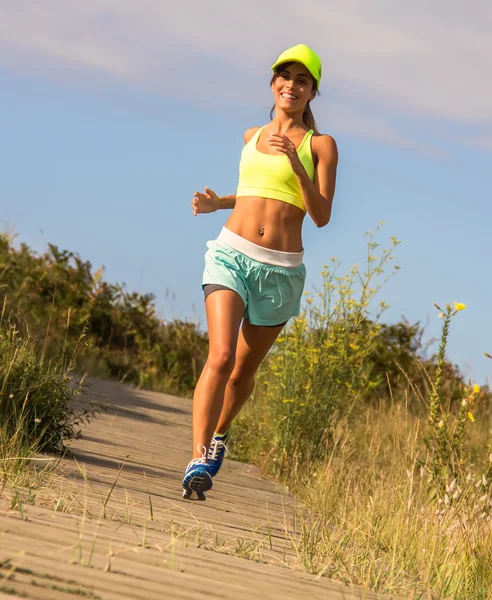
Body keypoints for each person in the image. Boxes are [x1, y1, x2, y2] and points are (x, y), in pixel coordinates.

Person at [182, 44, 338, 500]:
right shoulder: (252, 135)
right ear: (273, 83)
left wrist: (295, 159)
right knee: (221, 356)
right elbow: (254, 191)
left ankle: (219, 435)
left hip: (281, 270)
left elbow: (322, 213)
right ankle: (196, 455)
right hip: (231, 253)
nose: (292, 85)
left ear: (313, 93)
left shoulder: (321, 146)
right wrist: (219, 204)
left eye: (302, 80)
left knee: (241, 373)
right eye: (284, 77)